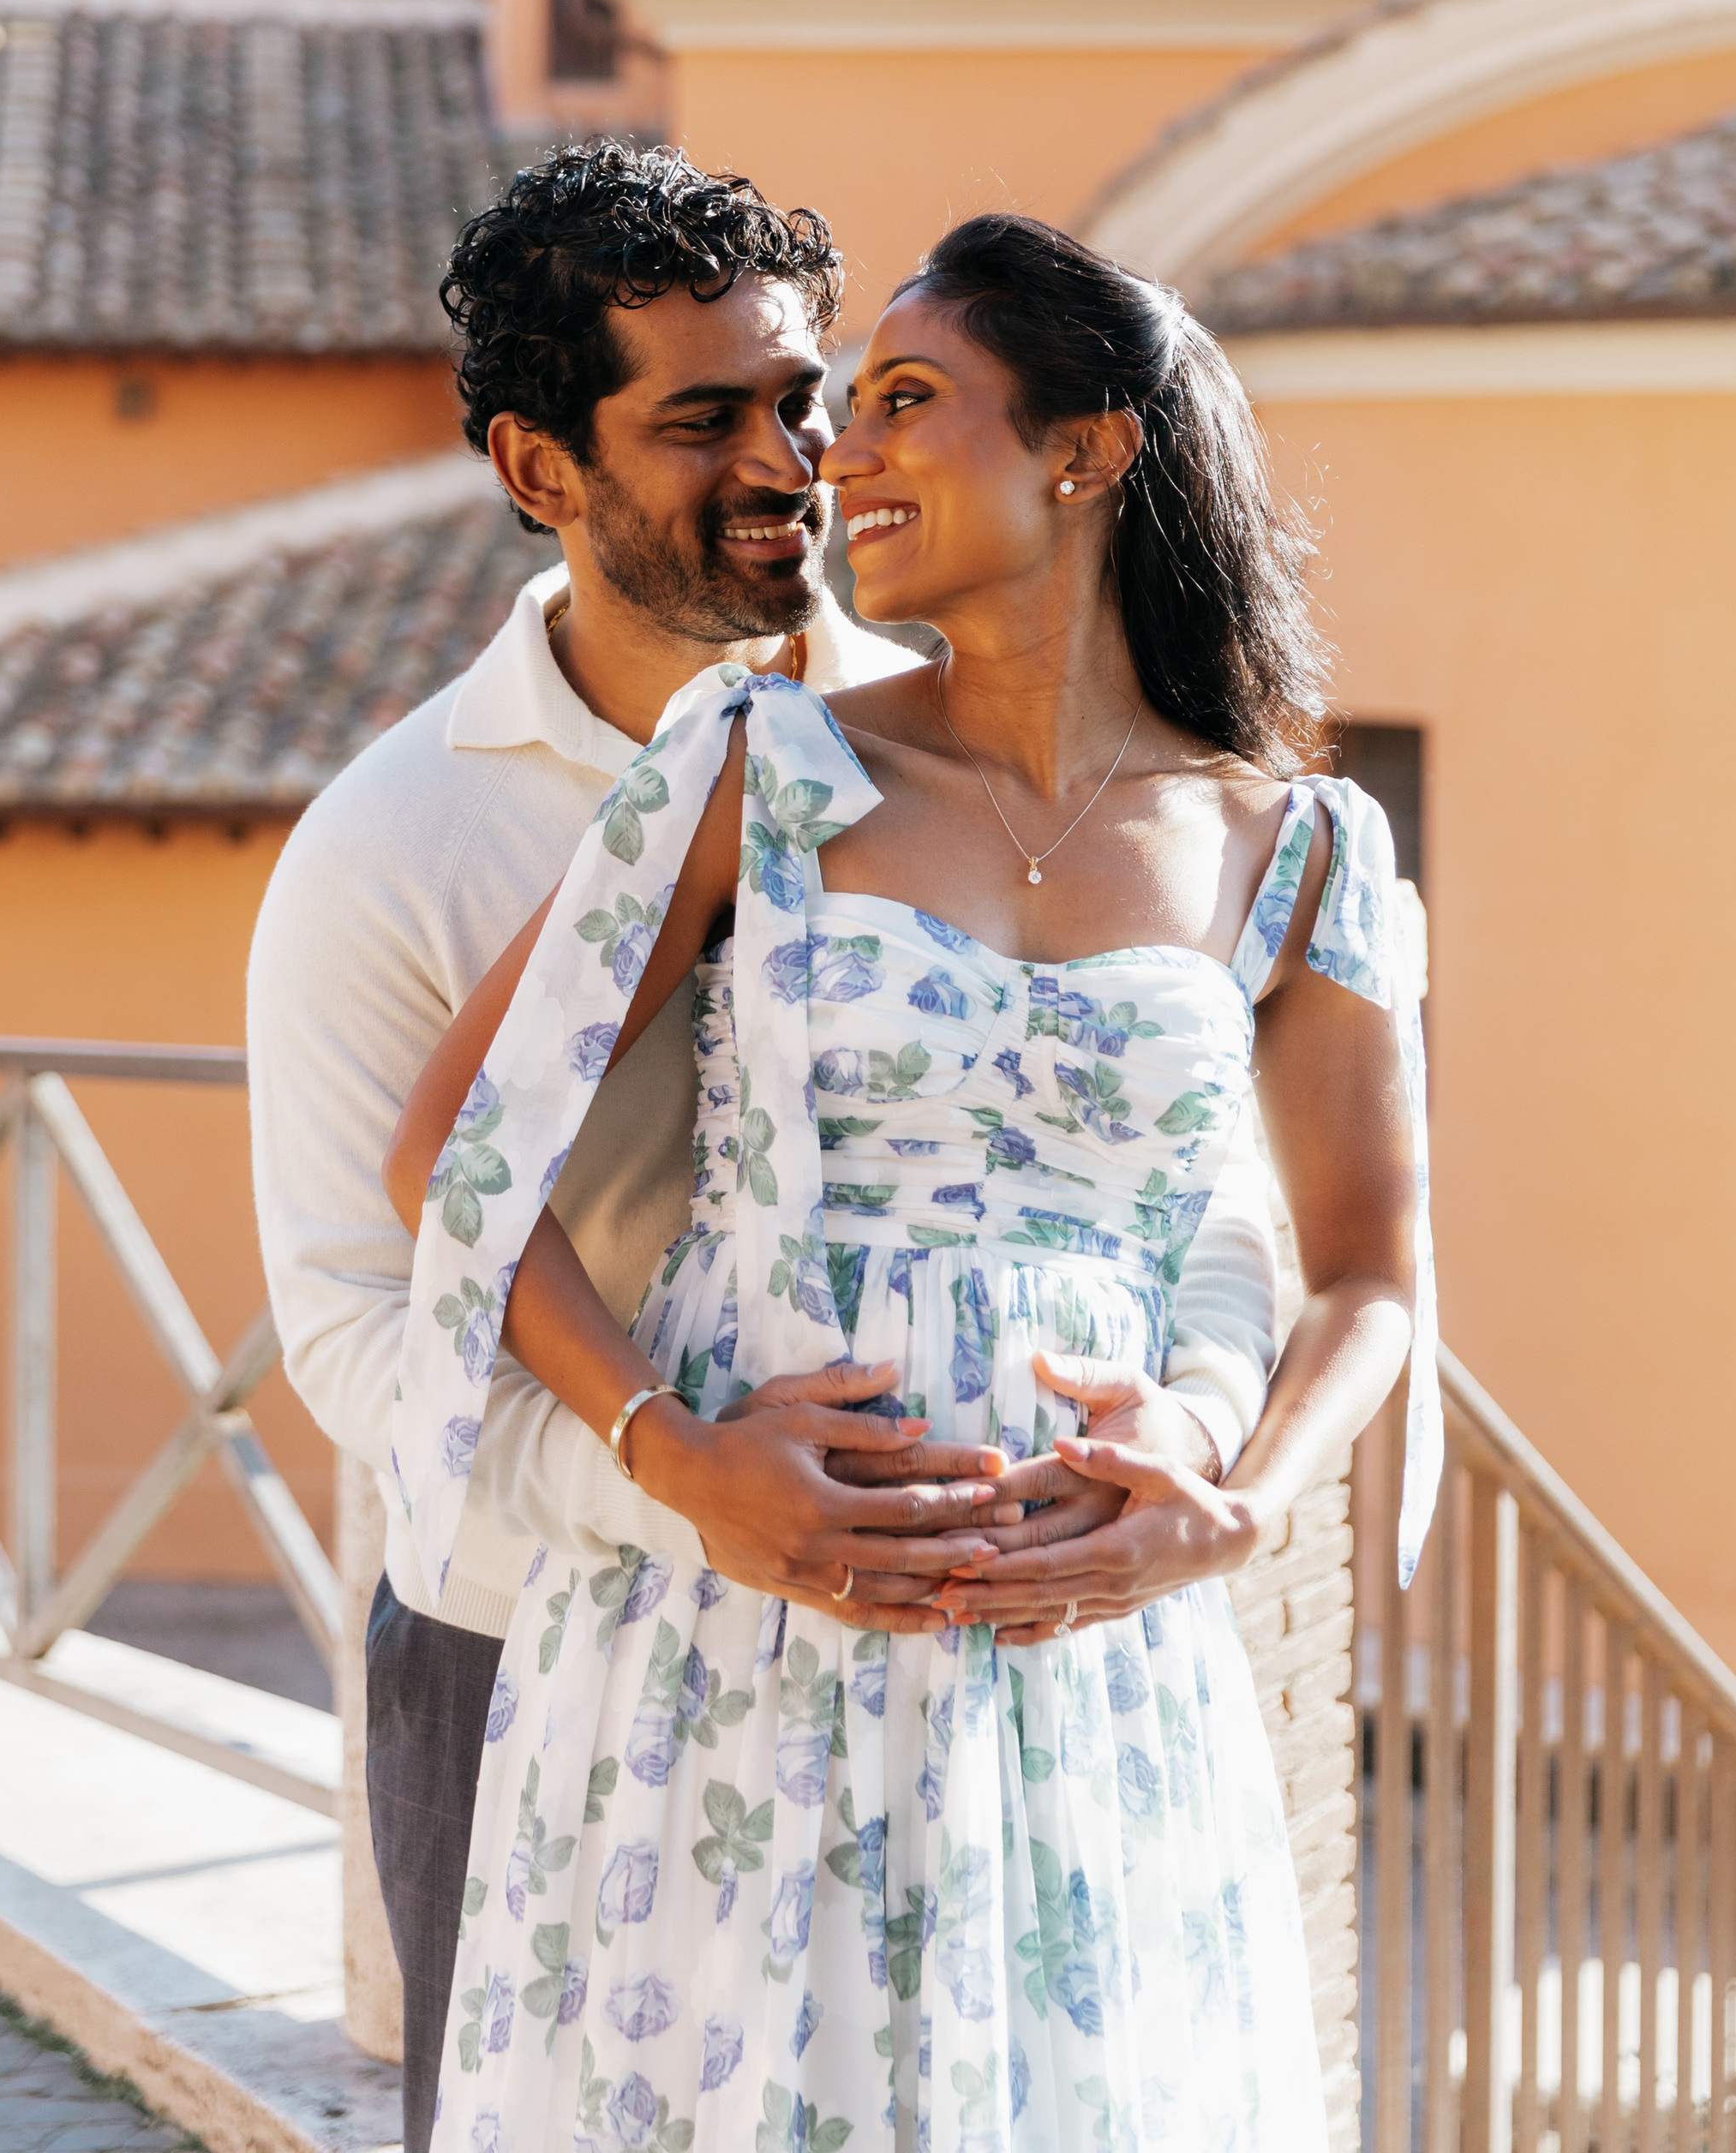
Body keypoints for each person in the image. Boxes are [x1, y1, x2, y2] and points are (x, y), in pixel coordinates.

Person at [248, 151, 1286, 2153]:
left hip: (979, 1666)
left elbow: (1194, 1187)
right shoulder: (389, 856)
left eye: (804, 396)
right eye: (700, 419)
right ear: (537, 468)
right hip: (534, 1640)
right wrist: (692, 1490)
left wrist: (1201, 1432)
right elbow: (363, 1331)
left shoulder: (966, 737)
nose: (791, 460)